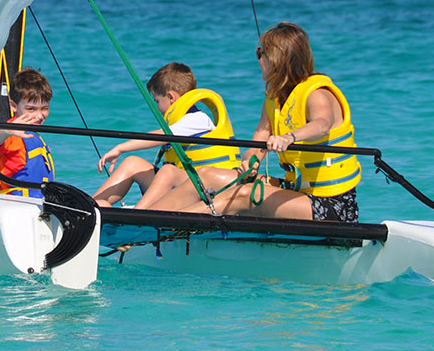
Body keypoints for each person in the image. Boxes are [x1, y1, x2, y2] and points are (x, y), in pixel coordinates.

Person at [149, 22, 360, 222]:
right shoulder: (274, 99)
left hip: (333, 205)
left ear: (277, 59)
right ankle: (143, 217)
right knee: (207, 175)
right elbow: (259, 138)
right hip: (297, 190)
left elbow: (321, 124)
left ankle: (162, 226)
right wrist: (251, 161)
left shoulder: (317, 94)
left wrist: (289, 137)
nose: (258, 59)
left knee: (244, 195)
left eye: (261, 53)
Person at [92, 62, 240, 208]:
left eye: (157, 101)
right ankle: (89, 205)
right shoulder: (184, 122)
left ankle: (137, 216)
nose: (157, 107)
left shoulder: (198, 120)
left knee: (168, 172)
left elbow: (160, 136)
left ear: (171, 97)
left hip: (208, 192)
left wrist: (120, 148)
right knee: (133, 163)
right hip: (184, 187)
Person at [0, 68, 55, 198]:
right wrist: (7, 130)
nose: (39, 115)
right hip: (18, 204)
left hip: (37, 201)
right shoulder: (15, 133)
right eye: (31, 109)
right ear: (13, 106)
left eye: (44, 108)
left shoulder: (31, 132)